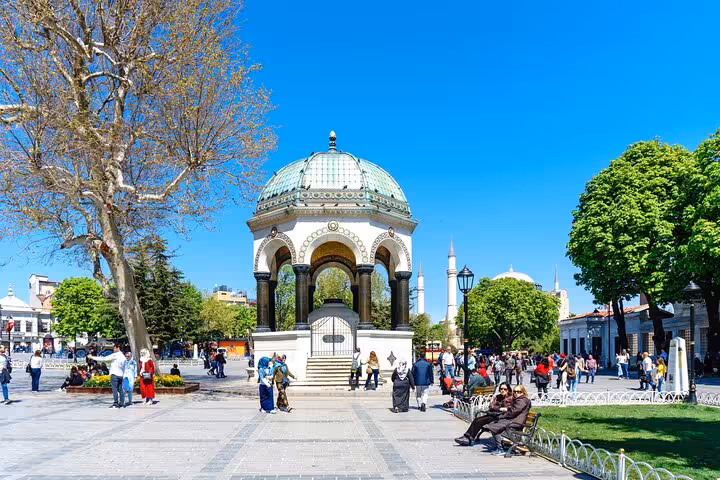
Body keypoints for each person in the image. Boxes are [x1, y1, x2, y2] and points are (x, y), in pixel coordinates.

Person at [485, 385, 532, 456]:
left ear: (523, 392)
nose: (516, 393)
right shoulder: (520, 400)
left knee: (494, 427)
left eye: (519, 391)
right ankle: (500, 447)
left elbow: (513, 412)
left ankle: (500, 449)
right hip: (514, 421)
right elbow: (512, 411)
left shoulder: (522, 400)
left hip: (516, 423)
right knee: (493, 424)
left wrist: (502, 416)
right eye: (515, 391)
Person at [88, 344, 127, 408]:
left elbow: (104, 359)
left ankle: (116, 404)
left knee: (114, 390)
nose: (113, 350)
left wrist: (92, 357)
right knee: (120, 389)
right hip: (121, 375)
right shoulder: (123, 356)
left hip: (115, 374)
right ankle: (122, 403)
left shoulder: (115, 355)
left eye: (114, 348)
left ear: (118, 348)